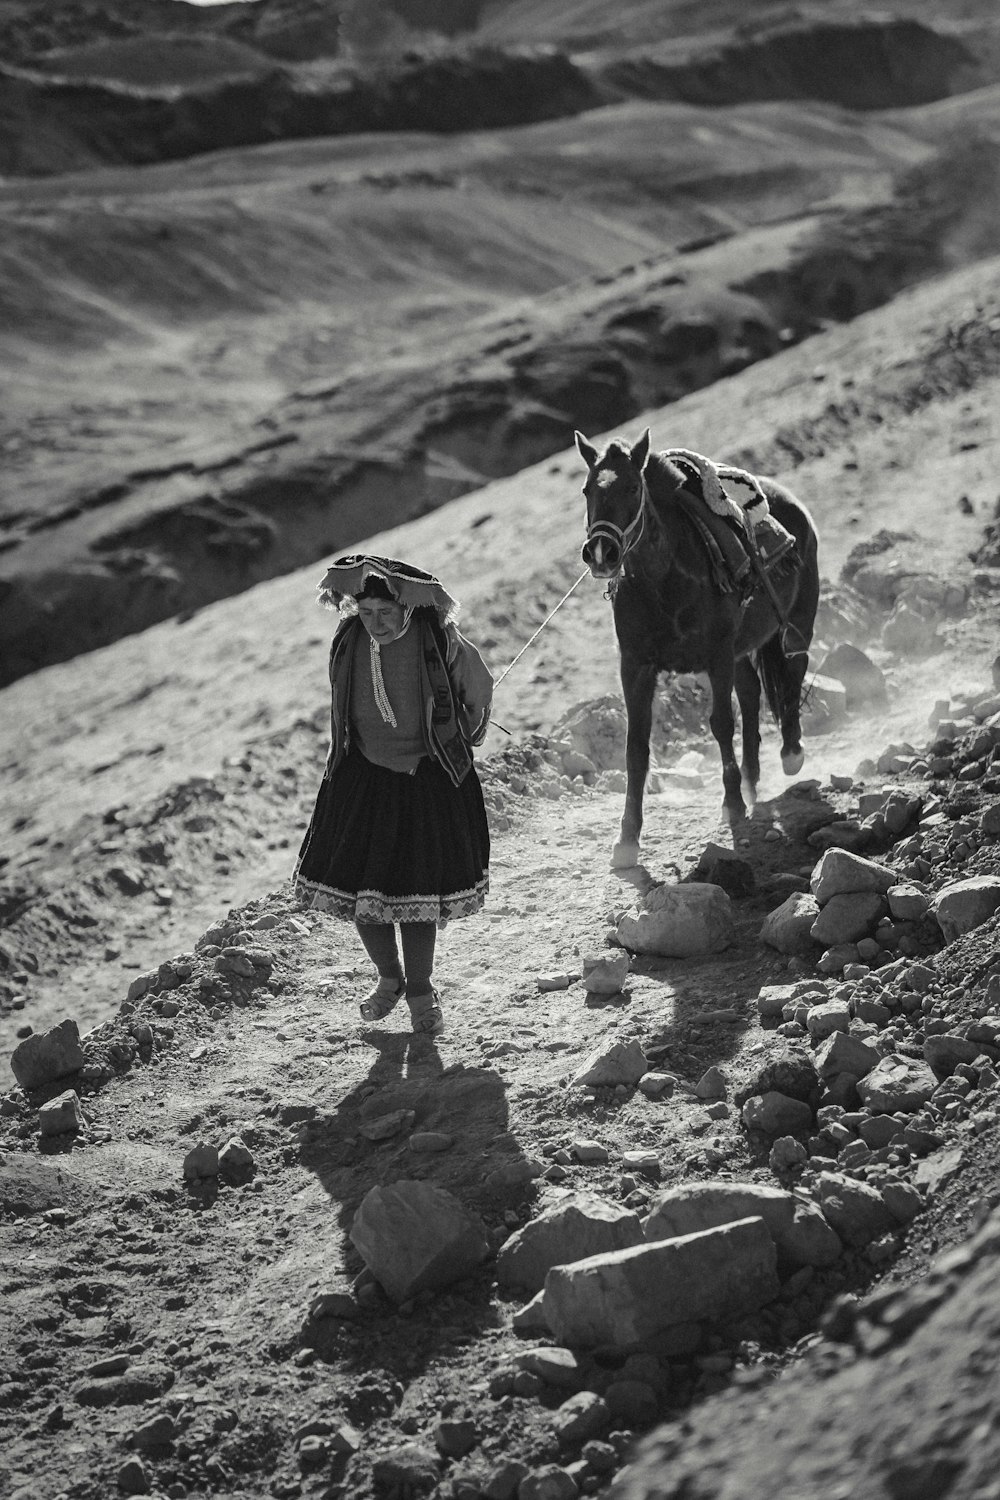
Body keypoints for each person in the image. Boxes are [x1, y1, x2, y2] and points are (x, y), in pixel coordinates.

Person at [293, 554, 493, 1037]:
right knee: (363, 890)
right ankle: (389, 979)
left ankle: (421, 991)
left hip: (427, 778)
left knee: (415, 894)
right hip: (361, 777)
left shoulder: (438, 639)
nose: (376, 623)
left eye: (385, 613)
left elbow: (478, 691)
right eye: (366, 614)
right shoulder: (348, 640)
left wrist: (462, 729)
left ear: (405, 608)